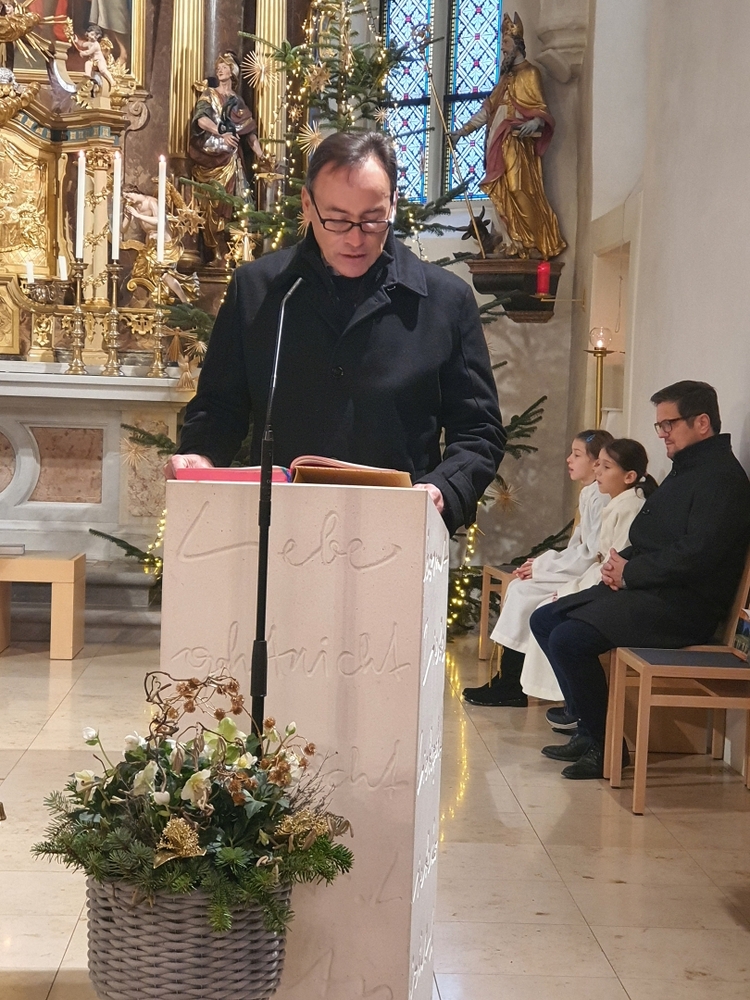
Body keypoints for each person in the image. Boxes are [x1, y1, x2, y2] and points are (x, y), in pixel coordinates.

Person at [167, 130, 506, 538]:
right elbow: (219, 409)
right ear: (307, 204)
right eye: (338, 219)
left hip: (399, 535)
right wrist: (200, 456)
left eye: (372, 218)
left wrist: (442, 489)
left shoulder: (446, 301)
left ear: (394, 204)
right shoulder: (258, 291)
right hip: (280, 536)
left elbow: (479, 432)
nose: (355, 238)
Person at [530, 381, 750, 780]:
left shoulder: (722, 479)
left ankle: (606, 747)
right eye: (659, 426)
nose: (662, 433)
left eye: (669, 424)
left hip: (684, 607)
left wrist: (630, 573)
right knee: (544, 619)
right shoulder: (688, 469)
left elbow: (697, 554)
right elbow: (653, 538)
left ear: (702, 422)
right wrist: (620, 564)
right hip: (654, 592)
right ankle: (587, 729)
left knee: (569, 639)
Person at [462, 429, 613, 707]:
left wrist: (543, 568)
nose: (569, 459)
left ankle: (512, 683)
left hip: (588, 576)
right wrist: (543, 564)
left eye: (576, 455)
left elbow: (590, 555)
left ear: (596, 463)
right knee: (520, 587)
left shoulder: (602, 497)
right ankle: (508, 679)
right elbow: (577, 548)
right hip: (576, 568)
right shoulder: (590, 494)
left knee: (525, 594)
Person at [521, 438, 657, 713]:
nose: (598, 472)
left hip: (614, 589)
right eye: (598, 465)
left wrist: (572, 590)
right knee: (542, 613)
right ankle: (574, 706)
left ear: (629, 476)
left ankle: (581, 711)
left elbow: (612, 564)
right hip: (597, 578)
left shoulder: (631, 506)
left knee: (553, 619)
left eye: (606, 467)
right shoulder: (617, 501)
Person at [450, 11, 565, 259]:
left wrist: (535, 121)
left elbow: (540, 108)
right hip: (497, 142)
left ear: (517, 45)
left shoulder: (530, 73)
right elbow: (487, 110)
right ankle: (513, 241)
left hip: (518, 142)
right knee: (501, 191)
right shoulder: (504, 78)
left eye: (506, 43)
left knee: (519, 189)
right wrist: (462, 131)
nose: (502, 49)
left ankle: (532, 242)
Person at [189, 52, 264, 258]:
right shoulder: (209, 94)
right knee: (214, 202)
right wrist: (222, 132)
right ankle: (217, 252)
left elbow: (249, 132)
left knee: (241, 201)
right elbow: (201, 120)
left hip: (233, 158)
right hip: (212, 155)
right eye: (218, 67)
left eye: (224, 67)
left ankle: (242, 249)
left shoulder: (237, 101)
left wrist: (260, 154)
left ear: (233, 72)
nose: (219, 70)